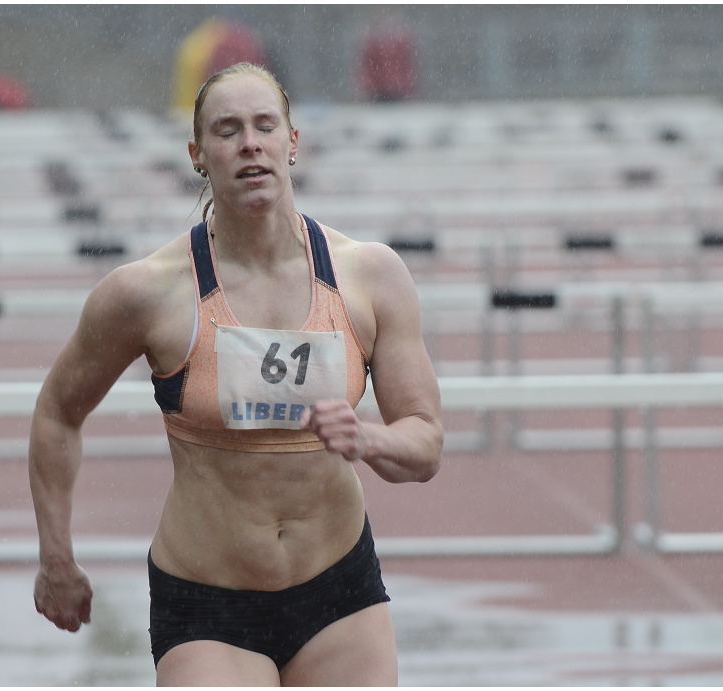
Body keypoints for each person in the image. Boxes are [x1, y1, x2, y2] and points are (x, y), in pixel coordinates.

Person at [30, 62, 443, 686]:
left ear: (292, 142)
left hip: (339, 593)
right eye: (227, 131)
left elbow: (426, 440)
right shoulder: (147, 293)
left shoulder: (370, 276)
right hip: (208, 602)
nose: (250, 143)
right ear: (198, 155)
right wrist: (56, 558)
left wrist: (370, 437)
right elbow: (59, 412)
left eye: (264, 126)